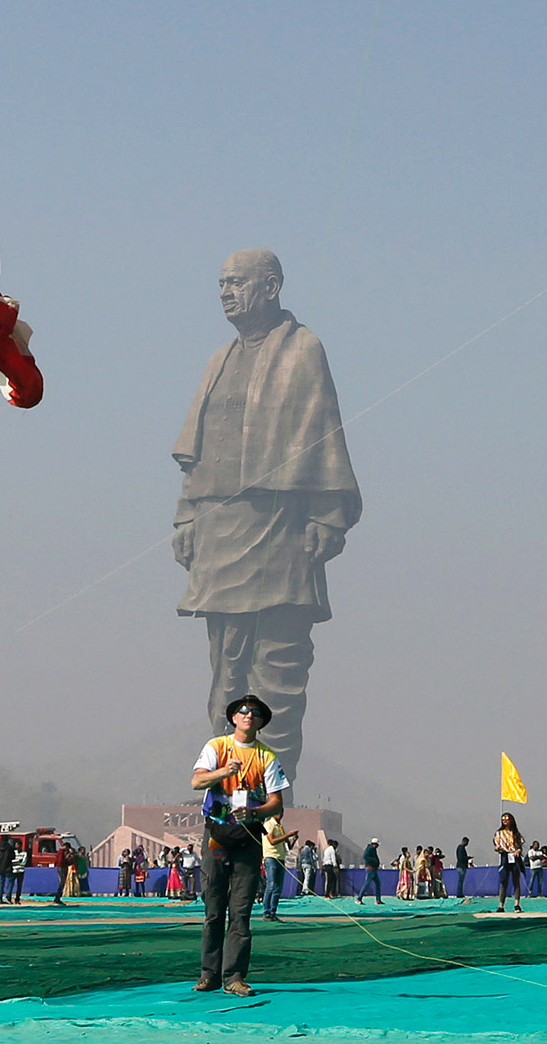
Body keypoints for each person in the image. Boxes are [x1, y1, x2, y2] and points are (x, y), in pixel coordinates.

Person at [172, 251, 361, 780]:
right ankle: (226, 779)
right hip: (218, 528)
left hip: (281, 528)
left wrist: (326, 516)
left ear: (272, 286)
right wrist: (186, 517)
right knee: (226, 668)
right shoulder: (219, 359)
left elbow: (322, 431)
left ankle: (268, 783)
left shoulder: (304, 350)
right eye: (221, 283)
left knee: (279, 665)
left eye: (237, 282)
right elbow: (197, 451)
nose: (226, 292)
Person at [190, 693, 287, 997]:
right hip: (217, 836)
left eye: (255, 713)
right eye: (243, 711)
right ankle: (209, 974)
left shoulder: (267, 757)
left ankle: (234, 976)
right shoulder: (216, 747)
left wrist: (255, 812)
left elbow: (276, 803)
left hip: (248, 838)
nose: (248, 716)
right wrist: (224, 772)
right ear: (233, 717)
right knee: (214, 908)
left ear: (261, 722)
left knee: (241, 911)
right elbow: (197, 782)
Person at [494, 813, 525, 912]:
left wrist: (517, 851)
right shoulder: (499, 833)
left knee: (516, 881)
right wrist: (497, 848)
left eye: (507, 819)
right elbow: (496, 846)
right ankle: (501, 905)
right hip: (504, 857)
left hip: (514, 858)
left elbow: (520, 846)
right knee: (503, 881)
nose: (505, 821)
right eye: (503, 819)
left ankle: (517, 904)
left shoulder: (515, 833)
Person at [360, 838, 383, 903]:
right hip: (370, 869)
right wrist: (374, 861)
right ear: (375, 844)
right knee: (367, 883)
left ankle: (378, 900)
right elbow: (365, 856)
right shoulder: (370, 849)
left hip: (373, 869)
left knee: (378, 883)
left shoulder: (373, 849)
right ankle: (359, 898)